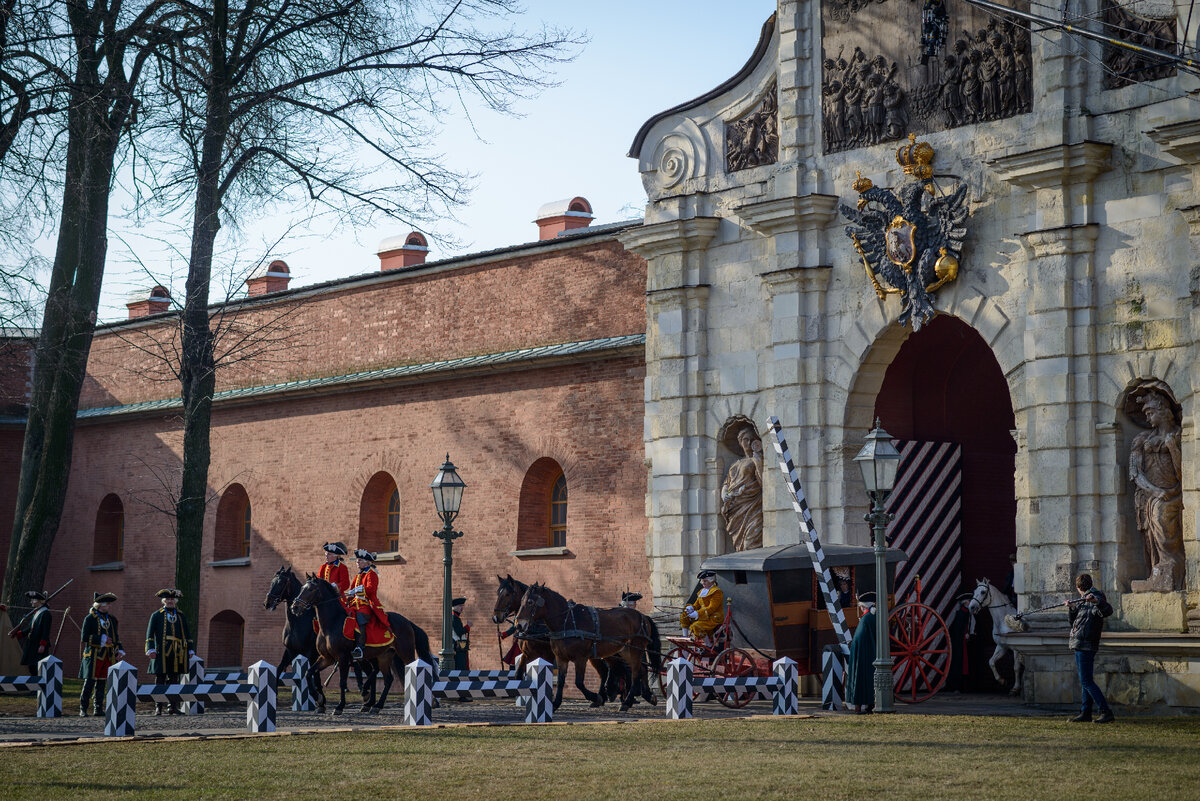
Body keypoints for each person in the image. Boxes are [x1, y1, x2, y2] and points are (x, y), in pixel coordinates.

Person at [1067, 573, 1115, 724]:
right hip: (1080, 643)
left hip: (1086, 645)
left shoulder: (1095, 596)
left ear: (1078, 587)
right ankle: (1085, 712)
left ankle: (1105, 711)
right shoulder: (1082, 600)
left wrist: (1095, 601)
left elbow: (1107, 610)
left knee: (1087, 681)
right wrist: (1072, 608)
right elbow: (1074, 622)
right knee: (1085, 680)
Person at [144, 588, 195, 715]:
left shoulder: (181, 615)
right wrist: (150, 649)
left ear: (175, 600)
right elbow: (150, 634)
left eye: (172, 599)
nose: (170, 601)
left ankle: (172, 706)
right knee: (160, 678)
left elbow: (187, 633)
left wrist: (190, 649)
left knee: (174, 678)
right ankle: (158, 707)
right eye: (168, 599)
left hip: (178, 652)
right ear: (164, 601)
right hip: (161, 652)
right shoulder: (156, 615)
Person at [719, 427, 764, 552]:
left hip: (752, 505)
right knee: (739, 545)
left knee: (751, 542)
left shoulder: (756, 460)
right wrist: (724, 492)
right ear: (740, 442)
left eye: (751, 439)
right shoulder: (735, 464)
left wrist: (758, 460)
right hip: (735, 507)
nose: (748, 443)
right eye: (745, 439)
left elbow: (764, 482)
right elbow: (727, 482)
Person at [79, 592, 124, 717]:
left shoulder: (112, 619)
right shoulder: (90, 618)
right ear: (99, 605)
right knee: (89, 682)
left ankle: (98, 708)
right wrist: (101, 639)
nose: (108, 606)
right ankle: (83, 708)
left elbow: (116, 637)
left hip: (107, 655)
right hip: (93, 655)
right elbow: (85, 637)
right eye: (106, 604)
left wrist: (119, 650)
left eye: (109, 604)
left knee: (102, 683)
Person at [344, 548, 388, 660]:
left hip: (366, 605)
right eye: (357, 560)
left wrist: (358, 590)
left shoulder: (371, 574)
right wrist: (349, 595)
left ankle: (360, 647)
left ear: (367, 562)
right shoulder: (358, 575)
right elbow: (352, 589)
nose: (357, 562)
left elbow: (371, 589)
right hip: (355, 604)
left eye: (360, 560)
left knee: (360, 620)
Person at [9, 590, 53, 676]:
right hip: (32, 644)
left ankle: (38, 688)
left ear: (40, 601)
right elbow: (30, 628)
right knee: (31, 667)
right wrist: (18, 634)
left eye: (33, 599)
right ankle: (34, 687)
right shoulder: (37, 613)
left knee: (38, 668)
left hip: (38, 645)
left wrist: (43, 644)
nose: (31, 601)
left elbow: (45, 631)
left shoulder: (46, 614)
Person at [847, 592, 876, 714]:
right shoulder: (869, 617)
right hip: (868, 652)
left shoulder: (866, 618)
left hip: (862, 653)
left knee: (859, 677)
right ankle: (870, 703)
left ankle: (859, 705)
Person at [679, 570, 724, 642]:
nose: (702, 583)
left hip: (713, 617)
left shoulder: (716, 592)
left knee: (696, 626)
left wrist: (697, 613)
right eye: (702, 581)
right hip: (703, 616)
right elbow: (697, 604)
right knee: (684, 616)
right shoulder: (703, 591)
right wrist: (691, 608)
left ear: (711, 581)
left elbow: (712, 608)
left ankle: (708, 645)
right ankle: (685, 638)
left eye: (705, 581)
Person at [945, 592, 976, 693]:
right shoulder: (961, 613)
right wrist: (963, 635)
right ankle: (956, 686)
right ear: (966, 602)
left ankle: (965, 686)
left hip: (965, 642)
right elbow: (957, 629)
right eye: (969, 601)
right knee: (959, 663)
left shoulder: (969, 612)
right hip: (959, 643)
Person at [452, 597, 471, 671]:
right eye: (460, 606)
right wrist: (467, 626)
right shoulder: (454, 618)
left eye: (462, 605)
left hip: (460, 646)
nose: (462, 607)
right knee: (461, 666)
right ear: (455, 607)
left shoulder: (456, 617)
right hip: (458, 647)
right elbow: (459, 632)